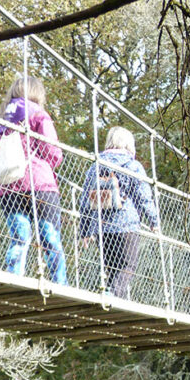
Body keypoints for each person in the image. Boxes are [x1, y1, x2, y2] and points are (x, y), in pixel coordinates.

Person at [0, 77, 66, 285]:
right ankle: (59, 283)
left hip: (9, 187)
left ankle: (13, 278)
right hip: (41, 185)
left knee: (19, 238)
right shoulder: (39, 116)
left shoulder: (0, 122)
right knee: (50, 239)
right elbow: (53, 152)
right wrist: (44, 167)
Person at [79, 127, 160, 299]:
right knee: (127, 267)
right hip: (126, 226)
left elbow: (85, 201)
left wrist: (85, 231)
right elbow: (143, 197)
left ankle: (112, 299)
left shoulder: (96, 165)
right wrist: (154, 222)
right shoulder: (132, 165)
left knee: (112, 269)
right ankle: (112, 296)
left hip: (102, 228)